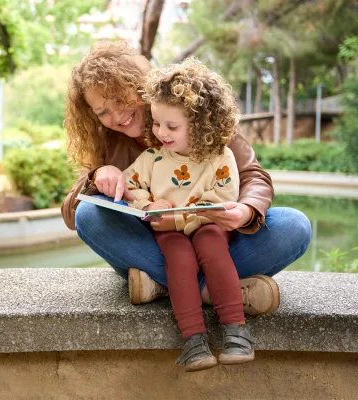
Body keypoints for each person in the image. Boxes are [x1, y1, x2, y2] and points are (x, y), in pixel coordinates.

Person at [61, 40, 311, 315]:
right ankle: (214, 291)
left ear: (140, 86)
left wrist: (246, 210)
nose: (117, 116)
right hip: (157, 245)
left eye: (120, 100)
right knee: (88, 214)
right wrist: (97, 176)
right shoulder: (106, 140)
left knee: (294, 225)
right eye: (102, 112)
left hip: (215, 238)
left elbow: (254, 176)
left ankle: (163, 286)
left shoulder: (202, 114)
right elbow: (72, 216)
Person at [122, 58, 255, 372]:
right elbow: (131, 187)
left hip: (209, 226)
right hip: (168, 232)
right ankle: (194, 340)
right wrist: (147, 206)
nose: (160, 132)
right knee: (180, 256)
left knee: (209, 243)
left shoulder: (219, 157)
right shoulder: (152, 158)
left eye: (172, 126)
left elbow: (220, 201)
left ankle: (236, 331)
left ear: (200, 123)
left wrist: (180, 218)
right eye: (156, 123)